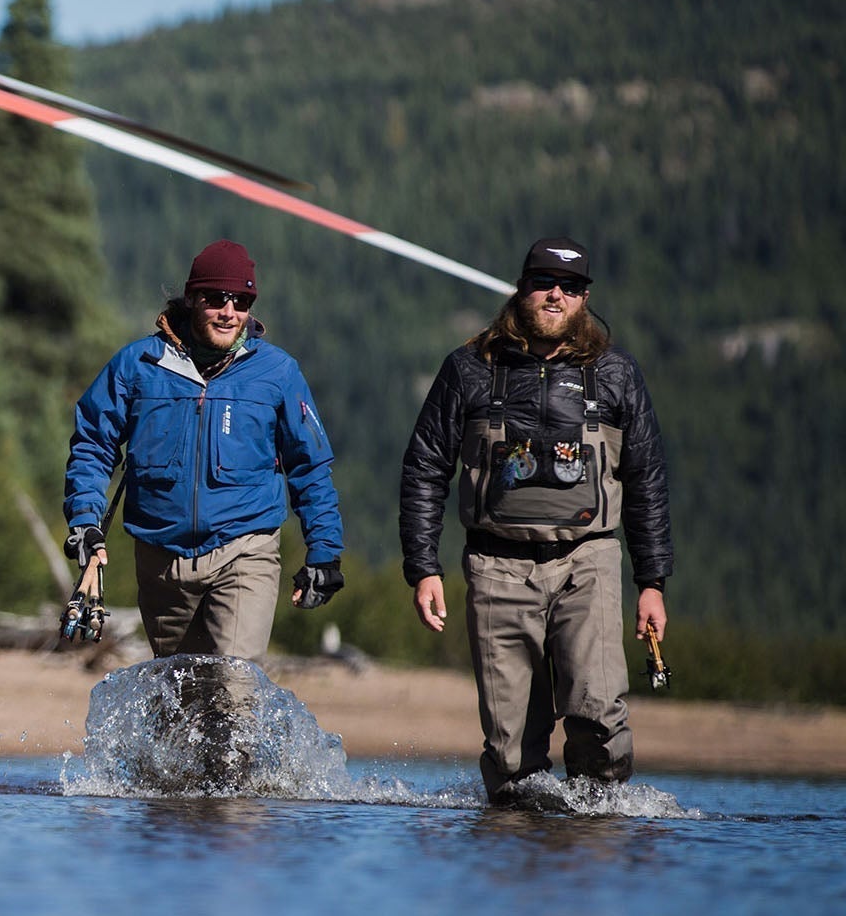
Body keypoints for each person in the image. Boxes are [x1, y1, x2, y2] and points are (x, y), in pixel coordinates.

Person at [399, 237, 672, 803]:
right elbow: (425, 467)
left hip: (588, 562)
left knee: (598, 719)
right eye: (544, 282)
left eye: (569, 287)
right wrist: (423, 567)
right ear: (522, 289)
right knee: (511, 754)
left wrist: (652, 582)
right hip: (495, 566)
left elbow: (646, 480)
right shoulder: (469, 368)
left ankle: (595, 833)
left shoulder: (616, 373)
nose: (555, 295)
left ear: (585, 297)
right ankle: (517, 838)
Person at [63, 240, 346, 663]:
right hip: (160, 561)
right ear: (192, 298)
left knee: (234, 681)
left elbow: (311, 467)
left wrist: (324, 550)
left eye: (242, 302)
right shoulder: (137, 365)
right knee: (184, 693)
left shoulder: (278, 372)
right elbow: (92, 443)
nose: (229, 312)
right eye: (216, 299)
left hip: (244, 549)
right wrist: (86, 521)